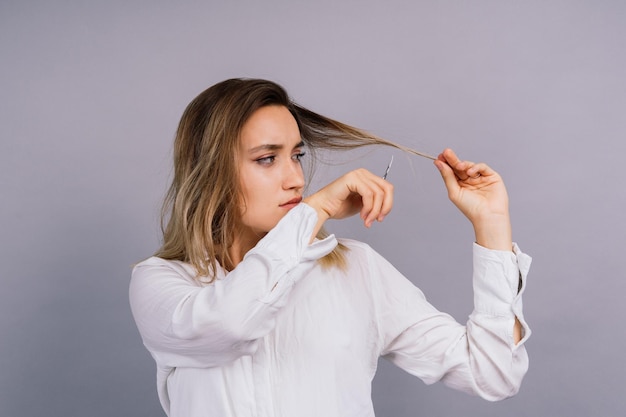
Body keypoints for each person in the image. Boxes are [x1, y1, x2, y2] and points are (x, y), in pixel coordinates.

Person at [129, 78, 531, 417]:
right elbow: (230, 325)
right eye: (267, 159)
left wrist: (491, 223)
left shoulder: (356, 270)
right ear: (210, 173)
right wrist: (315, 210)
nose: (295, 180)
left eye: (297, 155)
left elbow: (493, 373)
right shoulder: (161, 284)